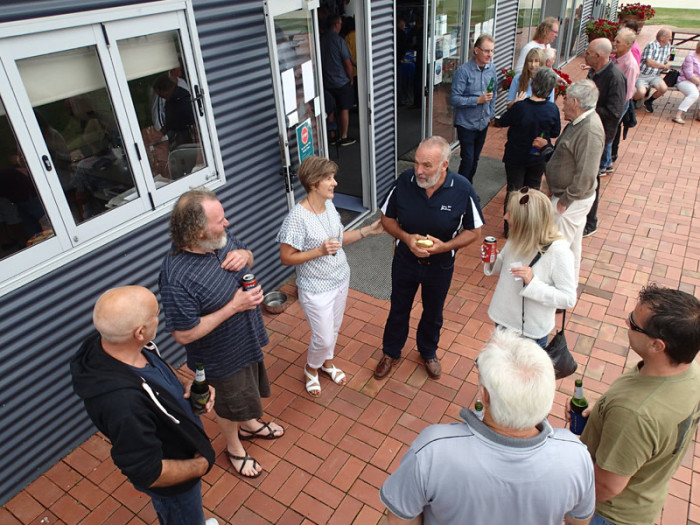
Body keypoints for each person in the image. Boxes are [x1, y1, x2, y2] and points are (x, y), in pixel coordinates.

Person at [380, 329, 595, 525]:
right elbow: (579, 521)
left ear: (485, 395)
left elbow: (400, 518)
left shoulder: (432, 450)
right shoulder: (575, 456)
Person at [159, 189, 284, 479]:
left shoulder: (221, 242)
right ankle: (234, 447)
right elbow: (183, 334)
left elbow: (249, 256)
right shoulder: (176, 277)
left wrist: (244, 255)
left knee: (248, 391)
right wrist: (234, 306)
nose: (227, 223)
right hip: (221, 358)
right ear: (199, 232)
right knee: (228, 405)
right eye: (219, 220)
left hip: (248, 341)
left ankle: (251, 424)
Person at [70, 286, 219, 525]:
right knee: (183, 516)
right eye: (156, 314)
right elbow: (147, 472)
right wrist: (202, 464)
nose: (159, 318)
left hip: (181, 448)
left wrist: (184, 382)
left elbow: (154, 362)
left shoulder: (114, 345)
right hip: (176, 484)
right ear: (139, 332)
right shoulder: (122, 403)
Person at [578, 284, 700, 525]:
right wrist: (604, 412)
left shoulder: (634, 414)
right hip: (644, 499)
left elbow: (606, 485)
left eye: (634, 324)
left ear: (657, 345)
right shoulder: (689, 373)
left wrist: (573, 511)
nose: (626, 322)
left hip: (606, 514)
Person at [374, 136, 483, 381]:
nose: (419, 171)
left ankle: (428, 351)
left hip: (440, 265)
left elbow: (475, 232)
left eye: (427, 166)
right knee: (398, 308)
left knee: (433, 311)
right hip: (405, 260)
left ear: (444, 164)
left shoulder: (462, 188)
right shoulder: (404, 182)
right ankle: (391, 352)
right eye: (416, 163)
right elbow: (386, 219)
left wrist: (445, 247)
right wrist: (406, 238)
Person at [277, 156, 383, 397]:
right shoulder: (297, 218)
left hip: (340, 278)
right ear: (314, 183)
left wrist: (369, 230)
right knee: (323, 337)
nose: (334, 183)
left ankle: (326, 364)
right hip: (315, 288)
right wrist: (319, 251)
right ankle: (311, 368)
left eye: (333, 177)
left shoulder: (329, 206)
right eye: (329, 178)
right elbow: (286, 257)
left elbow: (338, 240)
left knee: (333, 329)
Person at [483, 189, 576, 348]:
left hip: (530, 333)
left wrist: (533, 283)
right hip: (503, 320)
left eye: (511, 214)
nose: (505, 217)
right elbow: (502, 265)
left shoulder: (559, 252)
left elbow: (568, 298)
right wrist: (490, 260)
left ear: (527, 221)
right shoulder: (517, 237)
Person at [535, 80, 604, 284]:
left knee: (558, 248)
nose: (562, 104)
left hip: (571, 201)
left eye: (565, 100)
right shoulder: (580, 123)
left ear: (575, 102)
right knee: (572, 247)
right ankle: (568, 287)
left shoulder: (589, 130)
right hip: (568, 197)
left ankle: (558, 290)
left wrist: (564, 201)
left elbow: (586, 174)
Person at [499, 68, 561, 236]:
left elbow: (503, 121)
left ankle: (510, 228)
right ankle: (528, 228)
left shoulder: (520, 107)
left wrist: (515, 104)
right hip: (537, 157)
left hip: (515, 155)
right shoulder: (552, 109)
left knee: (514, 191)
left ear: (533, 84)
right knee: (532, 191)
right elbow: (555, 133)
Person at [581, 38, 626, 238]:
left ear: (598, 56)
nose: (585, 54)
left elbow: (615, 112)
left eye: (588, 52)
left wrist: (587, 107)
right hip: (588, 132)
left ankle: (590, 222)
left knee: (592, 179)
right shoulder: (594, 72)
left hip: (599, 136)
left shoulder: (615, 78)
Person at [450, 34, 497, 183]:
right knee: (468, 160)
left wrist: (491, 113)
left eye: (492, 51)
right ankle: (460, 191)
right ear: (476, 50)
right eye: (486, 51)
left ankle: (468, 188)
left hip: (483, 123)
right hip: (466, 124)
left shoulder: (492, 69)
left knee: (475, 159)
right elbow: (454, 98)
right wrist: (477, 100)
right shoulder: (463, 72)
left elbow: (493, 93)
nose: (490, 55)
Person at [320, 15, 356, 146]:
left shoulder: (321, 39)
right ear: (336, 25)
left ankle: (332, 135)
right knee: (344, 108)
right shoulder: (339, 41)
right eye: (340, 23)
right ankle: (344, 136)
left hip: (326, 81)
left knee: (330, 107)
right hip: (341, 81)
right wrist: (351, 79)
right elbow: (347, 63)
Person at [610, 28, 640, 164]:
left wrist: (615, 109)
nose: (614, 43)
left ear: (628, 44)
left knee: (609, 133)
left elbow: (626, 92)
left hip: (618, 104)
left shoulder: (630, 65)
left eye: (618, 42)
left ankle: (606, 163)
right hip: (611, 101)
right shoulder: (616, 58)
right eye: (615, 40)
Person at [634, 28, 672, 114]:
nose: (670, 39)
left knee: (664, 88)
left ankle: (649, 101)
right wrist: (663, 66)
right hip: (642, 74)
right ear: (662, 38)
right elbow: (649, 62)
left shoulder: (668, 46)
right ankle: (632, 102)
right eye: (669, 37)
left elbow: (665, 60)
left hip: (655, 75)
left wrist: (666, 64)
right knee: (641, 92)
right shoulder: (651, 45)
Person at [672, 41, 700, 125]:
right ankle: (678, 115)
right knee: (694, 94)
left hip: (697, 82)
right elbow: (689, 75)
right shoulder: (690, 57)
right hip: (685, 81)